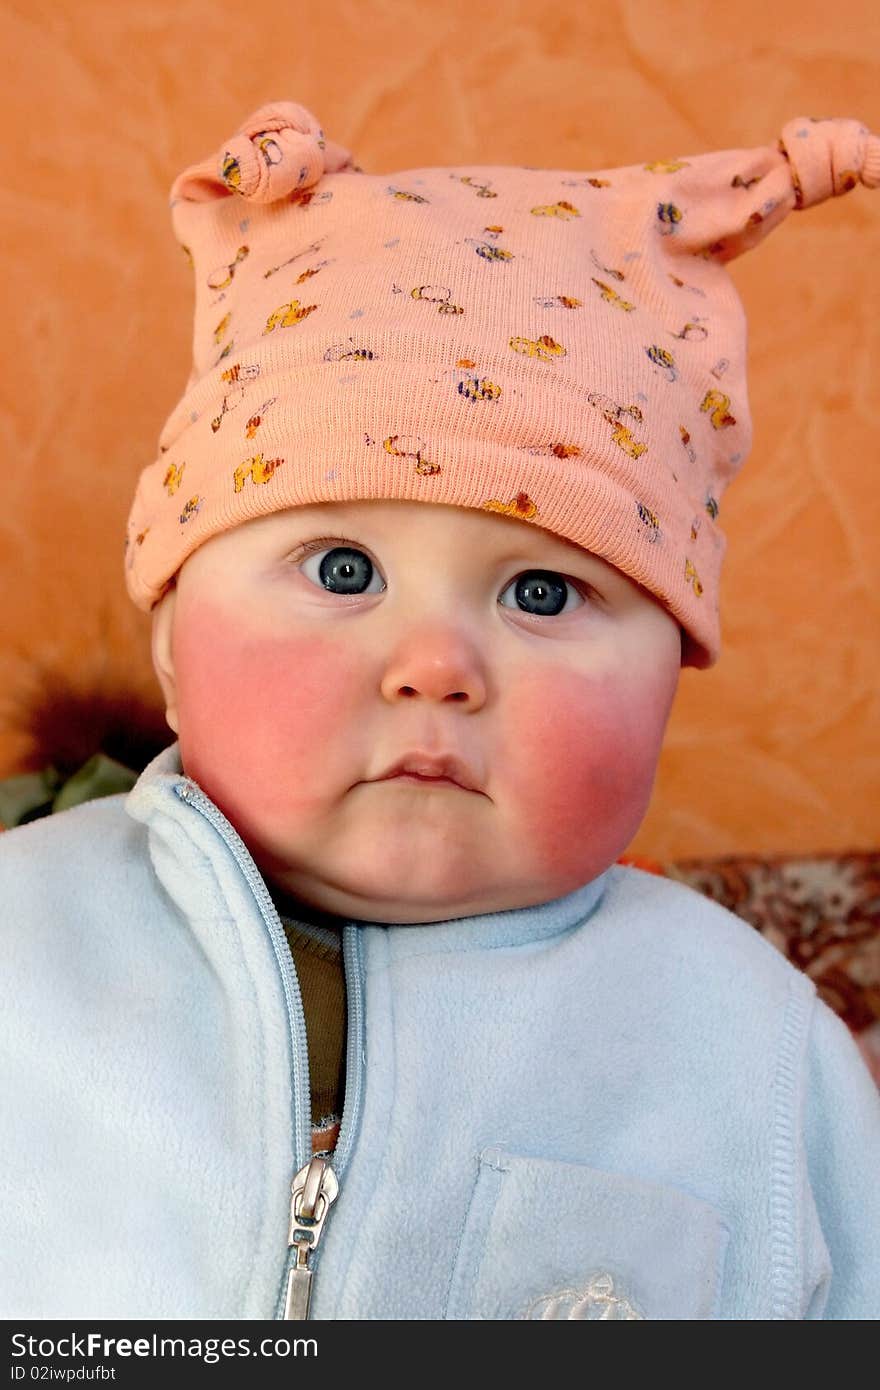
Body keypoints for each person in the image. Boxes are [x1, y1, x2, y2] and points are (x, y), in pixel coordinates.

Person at [2, 102, 879, 1321]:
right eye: (343, 570)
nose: (435, 666)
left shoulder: (750, 1050)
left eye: (541, 590)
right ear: (170, 634)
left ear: (672, 668)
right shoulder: (22, 944)